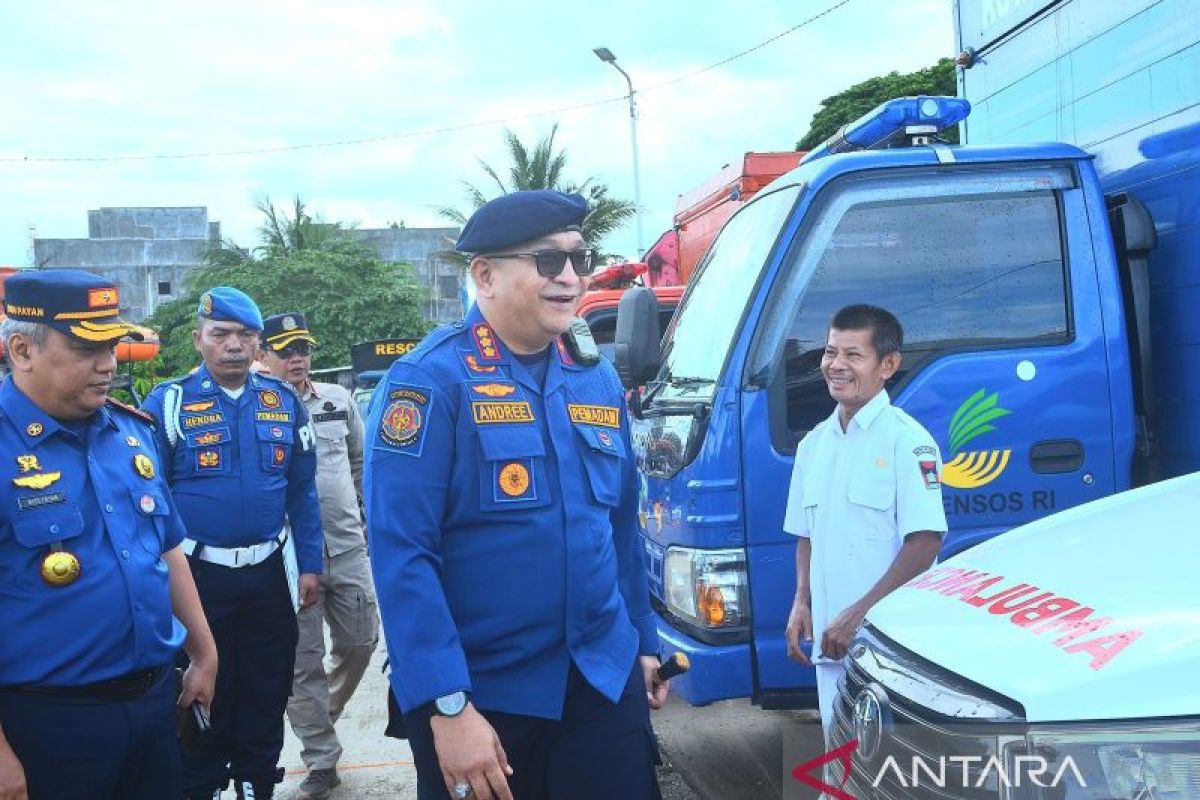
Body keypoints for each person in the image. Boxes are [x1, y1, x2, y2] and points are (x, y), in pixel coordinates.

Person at [365, 190, 669, 800]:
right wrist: (447, 706)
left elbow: (619, 528)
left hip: (600, 680)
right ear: (485, 276)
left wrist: (642, 642)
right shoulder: (429, 383)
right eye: (548, 262)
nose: (572, 277)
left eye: (580, 259)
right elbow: (403, 557)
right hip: (486, 697)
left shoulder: (595, 377)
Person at [0, 270, 218, 800]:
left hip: (151, 707)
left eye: (113, 344)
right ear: (22, 350)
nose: (108, 363)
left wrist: (205, 652)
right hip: (46, 722)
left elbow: (165, 549)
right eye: (86, 347)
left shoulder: (130, 431)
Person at [142, 288, 324, 800]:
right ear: (199, 339)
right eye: (220, 335)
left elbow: (302, 489)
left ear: (258, 344)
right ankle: (202, 788)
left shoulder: (284, 402)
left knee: (266, 691)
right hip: (198, 578)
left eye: (245, 336)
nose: (233, 346)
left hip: (269, 574)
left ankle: (255, 786)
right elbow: (149, 500)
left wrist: (310, 562)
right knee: (200, 693)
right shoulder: (169, 403)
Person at [783, 304, 947, 740]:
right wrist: (803, 601)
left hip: (889, 653)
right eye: (830, 352)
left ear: (887, 365)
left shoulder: (908, 442)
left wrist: (859, 615)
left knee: (890, 772)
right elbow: (806, 535)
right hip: (831, 651)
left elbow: (925, 543)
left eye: (853, 355)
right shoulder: (813, 445)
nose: (836, 366)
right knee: (841, 765)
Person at [258, 312, 379, 800]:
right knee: (301, 662)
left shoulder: (337, 399)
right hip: (289, 559)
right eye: (285, 349)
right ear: (264, 354)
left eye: (302, 347)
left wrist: (365, 518)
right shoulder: (257, 407)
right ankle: (321, 758)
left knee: (361, 640)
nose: (296, 357)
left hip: (346, 546)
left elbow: (358, 462)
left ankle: (314, 713)